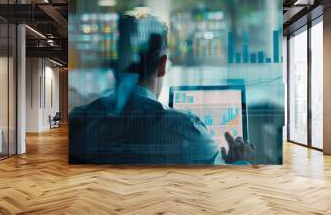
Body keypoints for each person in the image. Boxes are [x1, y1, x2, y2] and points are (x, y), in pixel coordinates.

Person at [69, 14, 253, 165]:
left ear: (111, 64)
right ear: (162, 65)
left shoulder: (79, 122)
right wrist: (241, 163)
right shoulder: (188, 131)